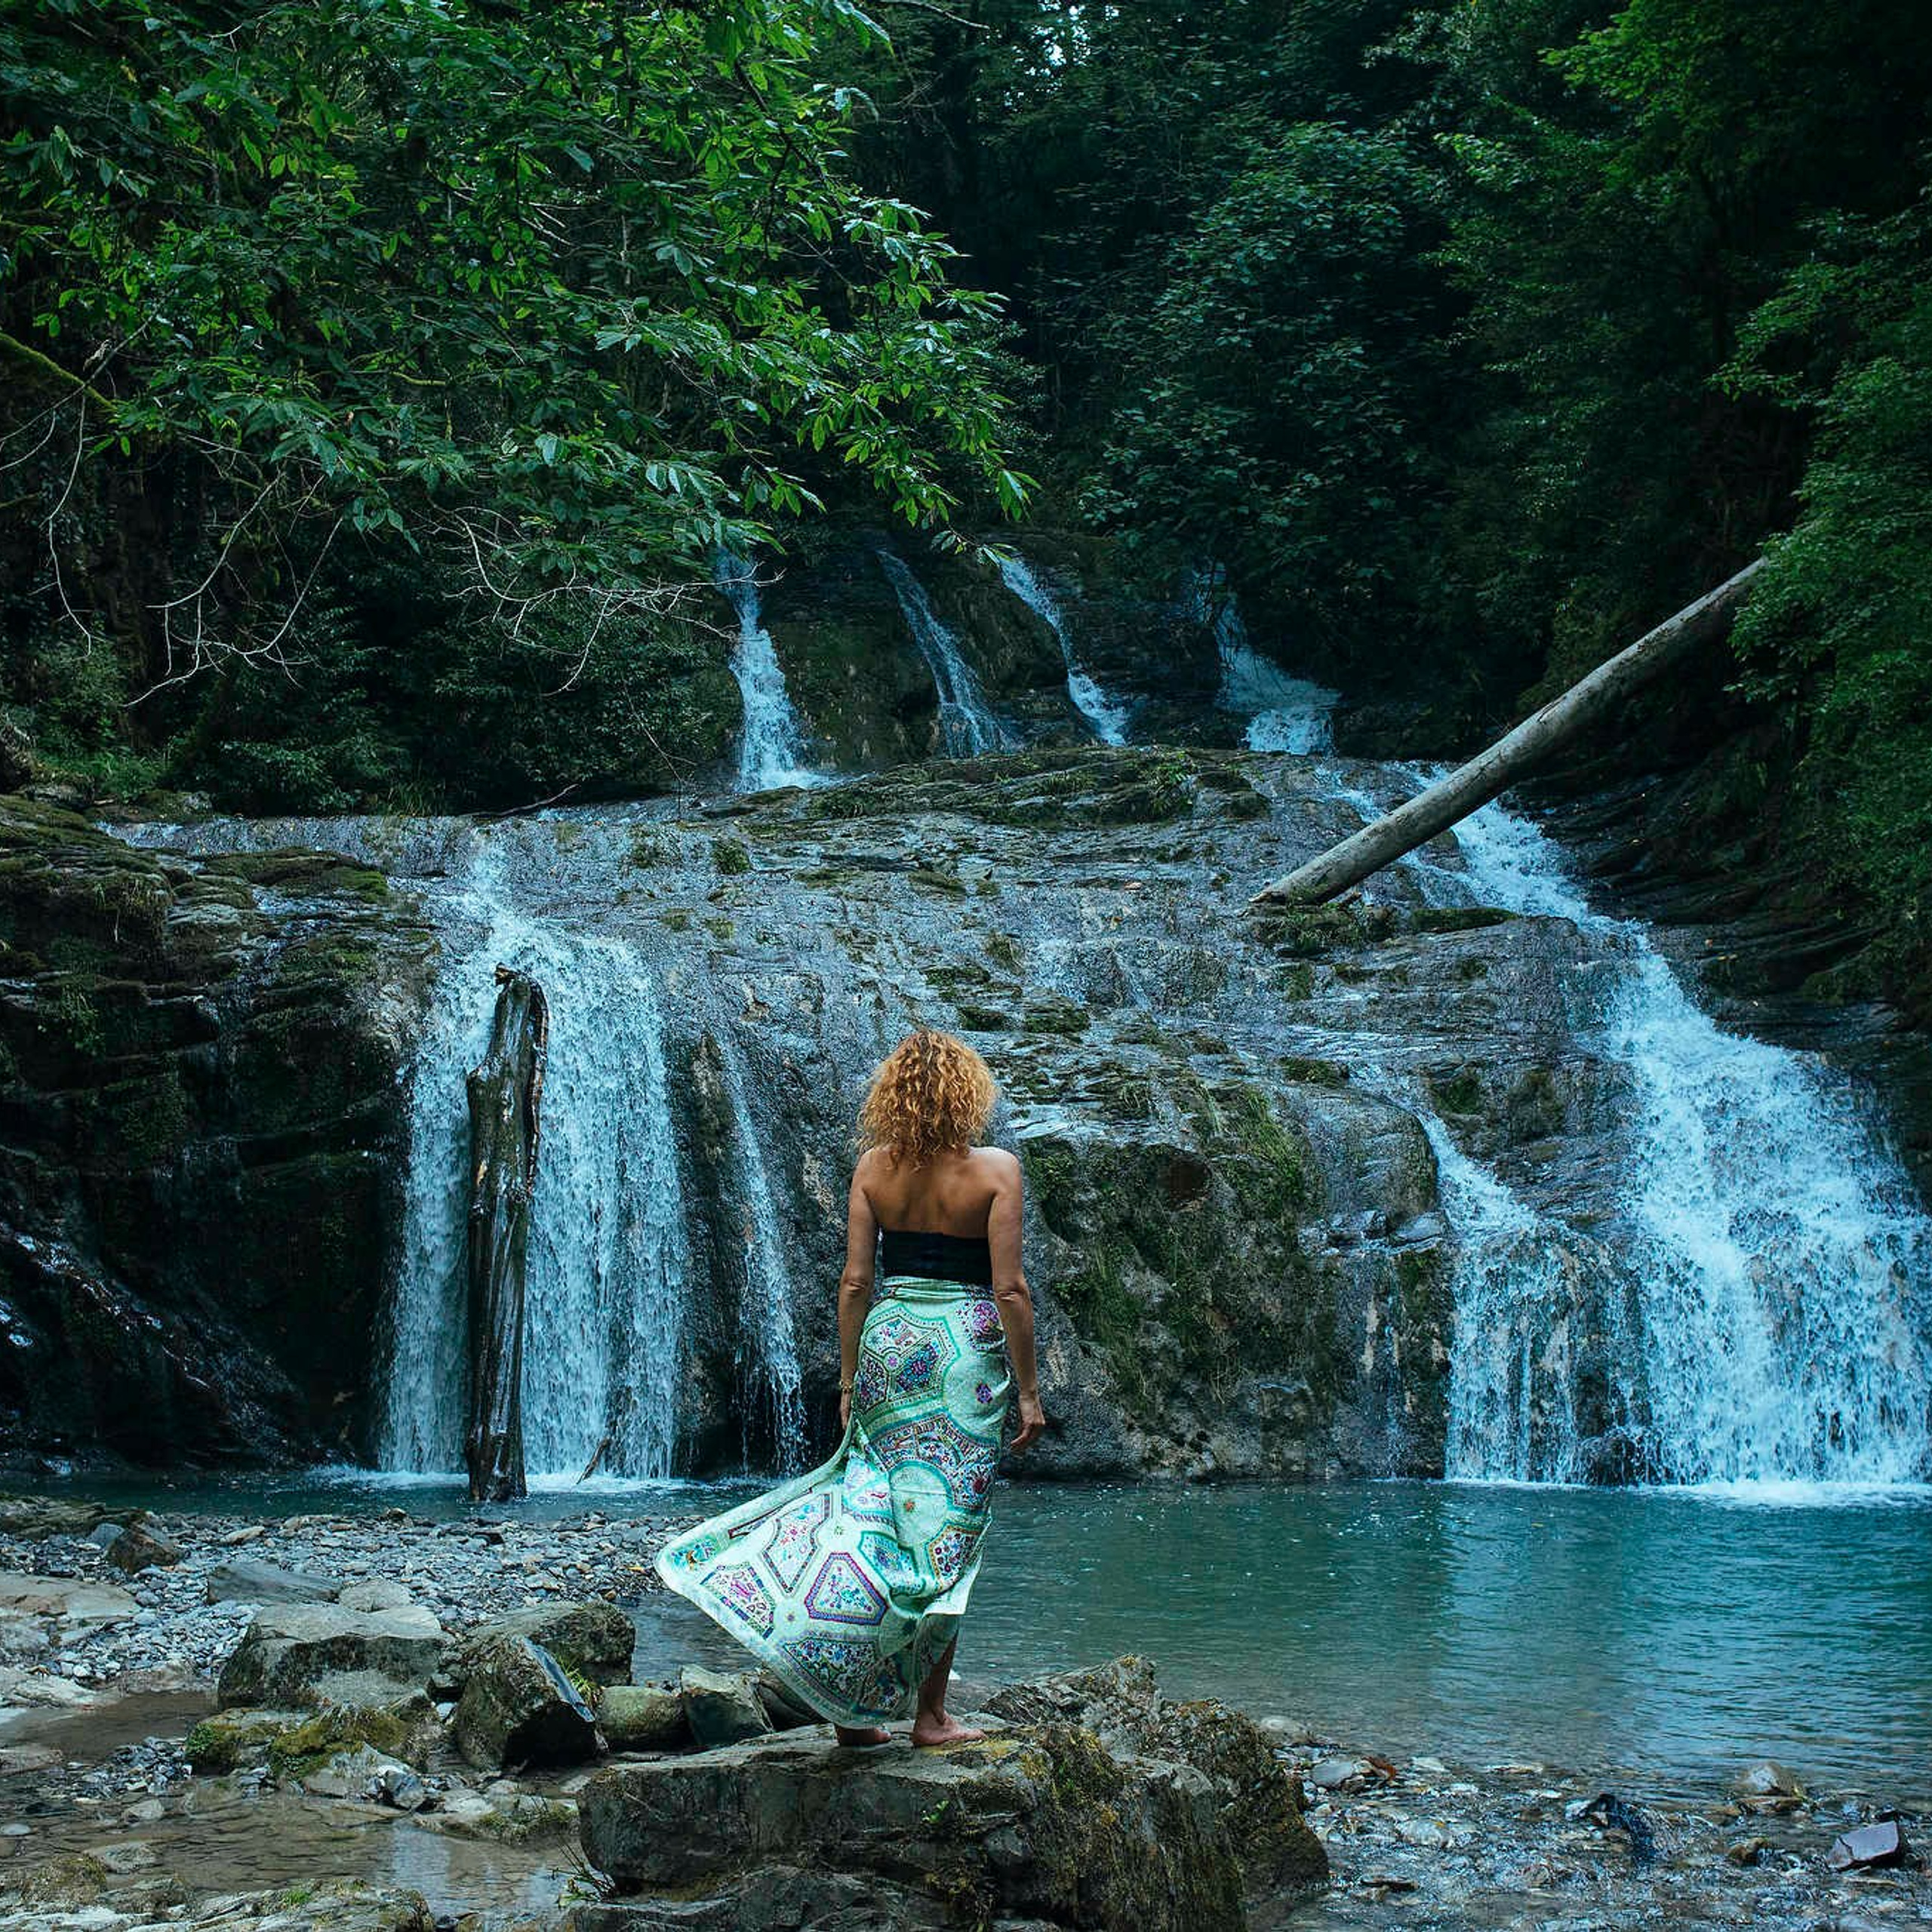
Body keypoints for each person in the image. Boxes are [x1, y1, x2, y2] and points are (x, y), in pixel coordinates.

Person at [654, 1026, 1046, 1747]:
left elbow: (856, 1282)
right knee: (945, 1534)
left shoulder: (873, 1168)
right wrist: (1026, 1390)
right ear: (968, 1094)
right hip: (963, 1358)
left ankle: (848, 1709)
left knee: (868, 1512)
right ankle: (929, 1715)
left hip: (890, 1346)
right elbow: (1012, 1291)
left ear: (893, 1097)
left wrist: (847, 1377)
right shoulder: (997, 1172)